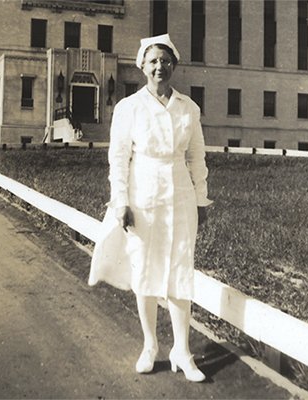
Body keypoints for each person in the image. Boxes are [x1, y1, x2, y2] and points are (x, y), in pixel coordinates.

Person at [88, 33, 212, 382]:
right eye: (153, 61)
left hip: (181, 194)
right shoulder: (129, 108)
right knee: (145, 268)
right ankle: (151, 345)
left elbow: (196, 156)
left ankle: (183, 351)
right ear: (142, 65)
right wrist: (121, 201)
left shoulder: (188, 107)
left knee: (179, 269)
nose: (160, 66)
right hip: (143, 194)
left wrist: (201, 198)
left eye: (166, 60)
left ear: (174, 64)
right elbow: (118, 158)